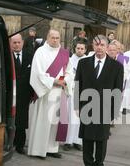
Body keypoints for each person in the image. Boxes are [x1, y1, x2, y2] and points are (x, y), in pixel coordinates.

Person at [74, 35, 124, 166]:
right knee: (87, 138)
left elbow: (117, 91)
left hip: (105, 108)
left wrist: (114, 111)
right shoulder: (83, 63)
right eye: (96, 45)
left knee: (101, 139)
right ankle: (88, 165)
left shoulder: (116, 67)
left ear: (107, 47)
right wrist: (77, 105)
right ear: (93, 46)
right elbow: (78, 85)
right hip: (86, 106)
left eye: (102, 44)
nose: (99, 47)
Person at [28, 30, 73, 159]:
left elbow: (69, 71)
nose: (55, 40)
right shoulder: (40, 52)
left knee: (55, 122)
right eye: (52, 37)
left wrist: (65, 80)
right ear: (47, 38)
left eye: (57, 38)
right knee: (44, 121)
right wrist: (54, 81)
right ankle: (39, 149)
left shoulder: (64, 53)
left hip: (60, 93)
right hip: (46, 92)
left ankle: (52, 149)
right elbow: (37, 73)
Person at [10, 34, 34, 154]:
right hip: (10, 94)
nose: (17, 45)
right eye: (14, 42)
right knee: (11, 119)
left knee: (22, 120)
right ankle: (10, 142)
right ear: (10, 43)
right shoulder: (7, 58)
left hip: (25, 94)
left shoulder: (30, 56)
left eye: (18, 42)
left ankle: (20, 145)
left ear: (23, 43)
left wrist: (31, 93)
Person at [63, 42, 87, 151]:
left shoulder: (88, 61)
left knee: (80, 117)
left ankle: (78, 141)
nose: (80, 50)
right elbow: (66, 74)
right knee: (70, 116)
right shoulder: (69, 60)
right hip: (71, 91)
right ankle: (68, 141)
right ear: (75, 49)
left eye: (82, 48)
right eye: (78, 48)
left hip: (83, 92)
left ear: (85, 50)